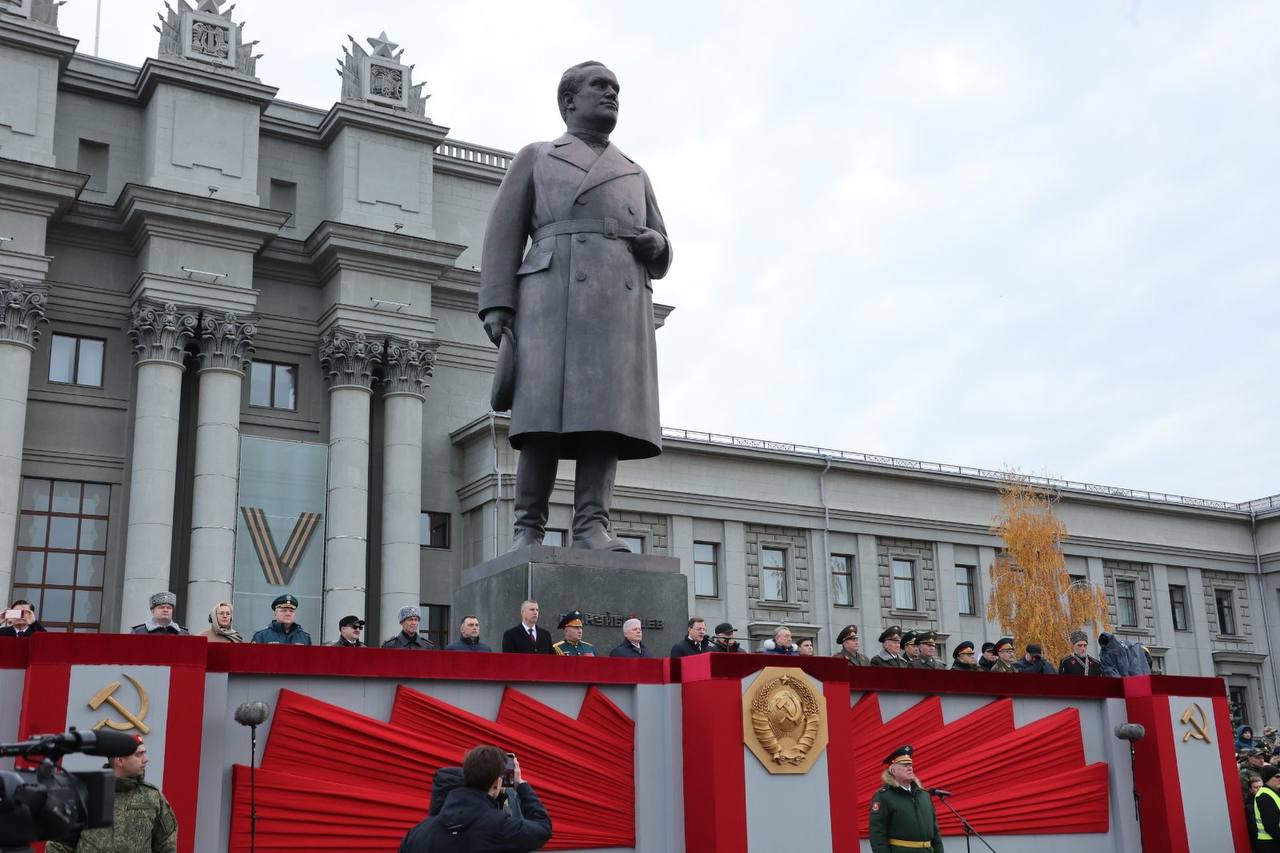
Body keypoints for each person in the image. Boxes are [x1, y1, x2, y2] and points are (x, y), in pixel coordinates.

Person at [478, 60, 673, 553]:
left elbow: (662, 241)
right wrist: (497, 305)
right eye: (599, 87)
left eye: (616, 89)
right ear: (569, 100)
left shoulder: (633, 170)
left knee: (603, 423)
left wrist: (658, 245)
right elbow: (503, 233)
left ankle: (592, 526)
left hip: (616, 306)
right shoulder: (538, 157)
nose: (611, 95)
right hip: (550, 299)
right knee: (541, 420)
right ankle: (528, 529)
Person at [399, 745, 552, 852]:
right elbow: (543, 828)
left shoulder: (417, 833)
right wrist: (521, 784)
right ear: (497, 783)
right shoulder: (500, 827)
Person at [47, 736, 177, 853]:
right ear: (120, 761)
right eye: (139, 754)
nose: (146, 759)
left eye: (145, 753)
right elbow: (58, 846)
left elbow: (166, 845)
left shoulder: (153, 797)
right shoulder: (86, 795)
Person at [867, 745, 943, 853]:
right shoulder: (884, 796)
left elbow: (935, 833)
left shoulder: (924, 795)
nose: (910, 767)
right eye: (904, 765)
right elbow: (878, 834)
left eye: (910, 764)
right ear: (892, 770)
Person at [1255, 764, 1280, 852]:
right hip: (1271, 844)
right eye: (1277, 776)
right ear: (1268, 779)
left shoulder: (1273, 792)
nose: (1279, 779)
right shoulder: (1264, 796)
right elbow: (1271, 826)